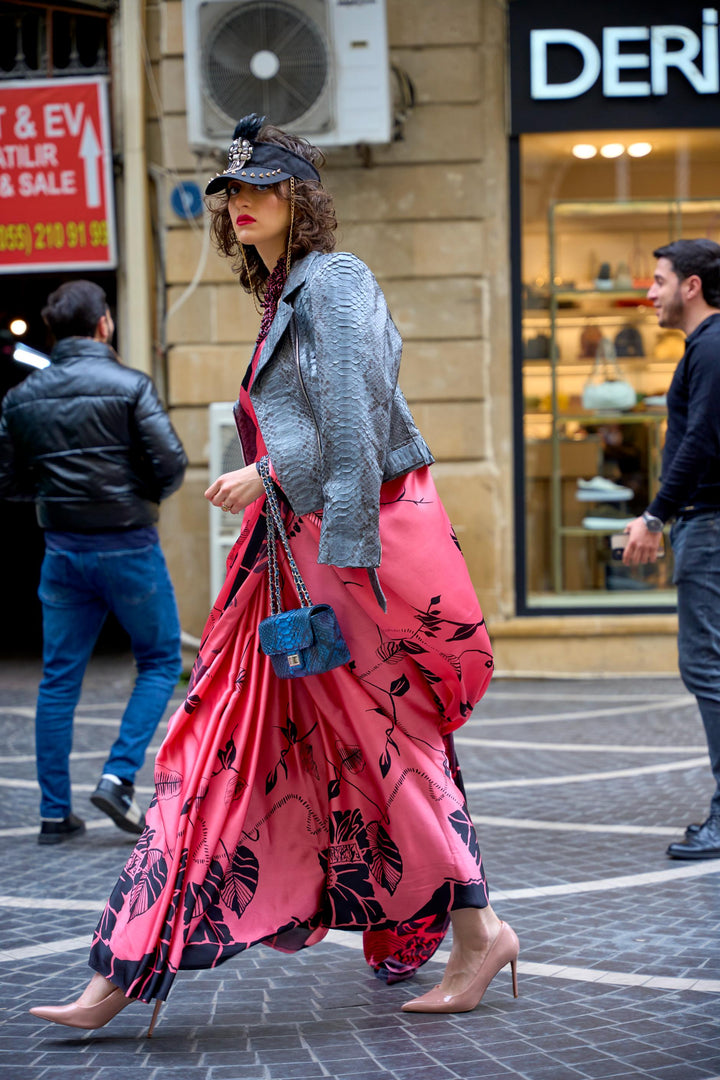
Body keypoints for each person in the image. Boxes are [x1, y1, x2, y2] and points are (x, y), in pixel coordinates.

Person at [27, 115, 517, 1036]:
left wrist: (272, 475)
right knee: (220, 741)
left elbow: (358, 418)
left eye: (259, 187)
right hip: (287, 559)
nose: (240, 203)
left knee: (381, 752)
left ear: (301, 196)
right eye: (232, 192)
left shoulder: (333, 280)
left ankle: (479, 930)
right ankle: (123, 970)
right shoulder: (286, 291)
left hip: (339, 556)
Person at [0, 280, 187, 844]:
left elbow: (8, 483)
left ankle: (54, 814)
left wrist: (58, 498)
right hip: (129, 544)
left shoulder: (20, 398)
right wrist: (132, 493)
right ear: (104, 324)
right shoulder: (130, 385)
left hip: (63, 550)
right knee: (158, 661)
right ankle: (117, 777)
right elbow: (171, 466)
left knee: (58, 679)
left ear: (54, 331)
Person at [623, 238, 720, 861]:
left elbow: (702, 441)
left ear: (691, 286)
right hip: (704, 522)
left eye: (659, 281)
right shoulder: (705, 348)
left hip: (705, 524)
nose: (650, 293)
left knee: (706, 667)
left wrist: (656, 515)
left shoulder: (710, 347)